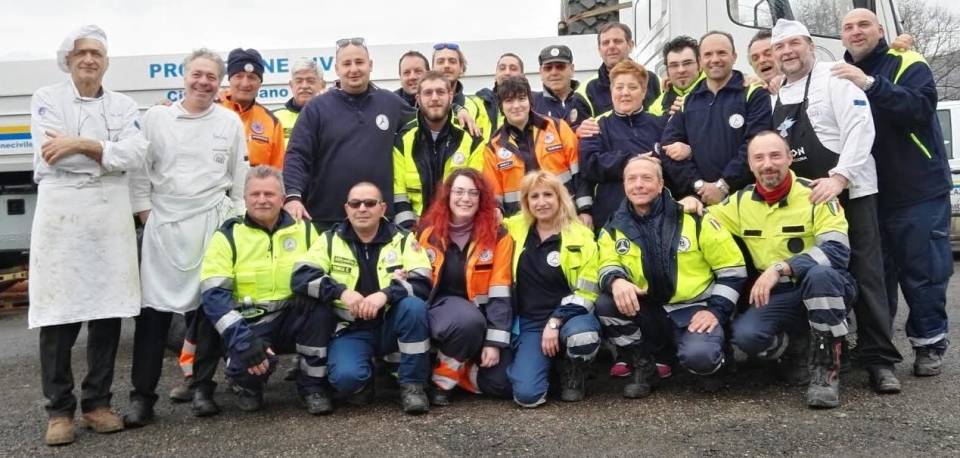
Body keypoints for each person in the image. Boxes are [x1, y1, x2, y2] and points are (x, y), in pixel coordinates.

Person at [29, 24, 147, 446]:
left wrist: (79, 143)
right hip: (62, 214)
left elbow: (136, 153)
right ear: (68, 59)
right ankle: (58, 410)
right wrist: (106, 152)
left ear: (107, 62)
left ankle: (97, 403)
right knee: (58, 315)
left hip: (109, 217)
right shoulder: (46, 99)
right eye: (81, 53)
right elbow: (51, 156)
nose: (89, 60)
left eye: (96, 53)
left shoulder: (124, 104)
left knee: (107, 312)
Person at [770, 19, 901, 393]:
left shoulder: (836, 77)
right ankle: (818, 350)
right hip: (807, 203)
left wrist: (840, 177)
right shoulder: (777, 92)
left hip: (850, 192)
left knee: (868, 275)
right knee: (813, 274)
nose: (787, 52)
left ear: (810, 46)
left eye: (794, 44)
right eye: (780, 47)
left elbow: (862, 129)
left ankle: (880, 360)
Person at [126, 48, 248, 427]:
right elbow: (139, 174)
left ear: (219, 83)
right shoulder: (157, 119)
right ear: (184, 77)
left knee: (209, 310)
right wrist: (147, 214)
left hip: (211, 223)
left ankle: (203, 388)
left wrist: (234, 224)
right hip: (163, 225)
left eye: (211, 76)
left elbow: (240, 182)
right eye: (197, 74)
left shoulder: (229, 123)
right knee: (153, 315)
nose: (203, 82)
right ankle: (142, 397)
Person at [834, 8, 952, 376]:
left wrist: (870, 83)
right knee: (875, 276)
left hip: (916, 188)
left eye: (863, 25)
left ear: (880, 30)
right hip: (867, 192)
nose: (856, 32)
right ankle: (877, 349)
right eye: (848, 27)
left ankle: (929, 342)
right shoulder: (836, 74)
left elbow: (919, 108)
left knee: (923, 271)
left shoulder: (907, 61)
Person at [704, 131, 855, 409]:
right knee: (746, 337)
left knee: (822, 276)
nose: (767, 164)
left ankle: (827, 370)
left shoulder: (816, 193)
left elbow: (837, 251)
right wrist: (688, 205)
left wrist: (781, 268)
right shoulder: (739, 201)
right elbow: (703, 220)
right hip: (779, 296)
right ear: (750, 165)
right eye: (758, 158)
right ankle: (796, 350)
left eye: (775, 155)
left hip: (820, 284)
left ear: (790, 158)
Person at [592, 156, 746, 398]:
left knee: (701, 359)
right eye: (631, 179)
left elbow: (733, 270)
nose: (638, 184)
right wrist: (616, 280)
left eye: (646, 178)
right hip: (650, 311)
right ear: (624, 185)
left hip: (695, 310)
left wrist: (715, 311)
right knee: (605, 303)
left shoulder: (694, 218)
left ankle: (717, 359)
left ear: (662, 182)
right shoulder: (613, 226)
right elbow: (605, 263)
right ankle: (644, 365)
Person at [194, 166, 335, 415]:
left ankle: (312, 387)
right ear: (245, 198)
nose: (262, 200)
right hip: (250, 323)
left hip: (293, 319)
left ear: (282, 198)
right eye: (255, 194)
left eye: (269, 194)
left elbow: (327, 276)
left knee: (321, 306)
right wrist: (243, 341)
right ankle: (247, 387)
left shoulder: (306, 230)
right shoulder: (227, 236)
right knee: (246, 367)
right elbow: (214, 297)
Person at [291, 182, 433, 414]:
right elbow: (301, 276)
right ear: (347, 208)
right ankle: (363, 380)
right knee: (347, 379)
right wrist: (341, 292)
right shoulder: (329, 240)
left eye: (370, 203)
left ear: (383, 208)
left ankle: (413, 386)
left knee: (414, 306)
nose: (362, 208)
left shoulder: (404, 239)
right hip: (351, 329)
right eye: (355, 203)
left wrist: (384, 295)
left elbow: (423, 282)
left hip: (391, 326)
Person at [283, 38, 415, 231]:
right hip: (325, 219)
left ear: (370, 65)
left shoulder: (391, 103)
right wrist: (293, 196)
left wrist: (458, 109)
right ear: (337, 69)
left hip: (379, 220)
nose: (353, 69)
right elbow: (297, 155)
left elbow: (428, 120)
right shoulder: (316, 108)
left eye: (359, 62)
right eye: (347, 64)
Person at [502, 171, 601, 406]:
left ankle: (573, 369)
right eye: (534, 196)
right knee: (527, 396)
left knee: (582, 338)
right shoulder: (513, 228)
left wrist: (555, 321)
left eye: (548, 194)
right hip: (531, 323)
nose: (541, 202)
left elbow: (588, 292)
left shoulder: (581, 236)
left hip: (570, 317)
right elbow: (481, 220)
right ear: (526, 202)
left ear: (560, 198)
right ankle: (550, 368)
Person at [416, 169, 513, 405]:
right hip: (441, 312)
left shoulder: (499, 235)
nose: (465, 198)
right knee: (466, 321)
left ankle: (457, 370)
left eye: (473, 193)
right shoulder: (426, 232)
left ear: (482, 199)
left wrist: (493, 342)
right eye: (459, 191)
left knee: (504, 383)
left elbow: (501, 292)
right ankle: (442, 382)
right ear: (448, 195)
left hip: (482, 320)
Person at [660, 31, 773, 203]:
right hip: (701, 200)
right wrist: (698, 184)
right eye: (708, 54)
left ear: (734, 57)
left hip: (747, 199)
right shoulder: (688, 102)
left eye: (721, 53)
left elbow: (755, 145)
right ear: (700, 60)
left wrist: (724, 185)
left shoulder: (753, 93)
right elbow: (667, 149)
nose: (715, 59)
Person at [482, 76, 588, 219]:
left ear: (530, 101)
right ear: (501, 106)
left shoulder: (557, 128)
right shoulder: (493, 148)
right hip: (521, 222)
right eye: (509, 100)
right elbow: (493, 194)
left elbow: (580, 172)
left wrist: (585, 210)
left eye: (521, 98)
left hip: (565, 214)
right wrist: (496, 212)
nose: (516, 105)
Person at [579, 59, 665, 230]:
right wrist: (633, 161)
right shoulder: (595, 126)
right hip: (611, 218)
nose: (625, 93)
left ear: (644, 91)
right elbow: (590, 164)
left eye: (632, 87)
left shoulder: (661, 125)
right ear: (611, 91)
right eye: (619, 88)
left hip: (659, 219)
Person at [393, 71, 485, 228]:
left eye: (440, 92)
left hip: (457, 231)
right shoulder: (402, 140)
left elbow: (475, 192)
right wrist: (410, 234)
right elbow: (399, 195)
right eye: (428, 93)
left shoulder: (471, 139)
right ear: (418, 98)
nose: (434, 98)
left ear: (450, 96)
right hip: (414, 234)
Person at [577, 22, 661, 119]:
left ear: (630, 45)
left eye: (617, 41)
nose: (611, 46)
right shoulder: (586, 91)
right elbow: (579, 129)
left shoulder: (655, 81)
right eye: (605, 43)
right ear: (599, 50)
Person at [221, 48, 285, 169]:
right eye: (239, 76)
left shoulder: (272, 123)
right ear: (230, 79)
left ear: (260, 83)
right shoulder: (212, 109)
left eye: (252, 77)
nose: (245, 83)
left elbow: (278, 173)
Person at [432, 42, 492, 139]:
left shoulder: (477, 107)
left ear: (461, 68)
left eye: (452, 61)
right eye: (440, 61)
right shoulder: (420, 104)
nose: (446, 65)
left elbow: (484, 145)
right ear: (432, 68)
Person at [531, 44, 593, 130]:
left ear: (572, 69)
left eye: (560, 67)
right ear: (541, 72)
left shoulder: (588, 98)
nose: (554, 72)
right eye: (548, 68)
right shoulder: (531, 104)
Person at [273, 58, 326, 148]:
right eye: (299, 81)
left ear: (322, 85)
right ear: (291, 85)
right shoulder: (273, 118)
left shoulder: (335, 116)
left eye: (310, 81)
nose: (304, 86)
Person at [648, 36, 705, 117]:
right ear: (667, 70)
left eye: (687, 63)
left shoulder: (717, 89)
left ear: (700, 64)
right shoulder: (656, 108)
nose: (681, 70)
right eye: (674, 65)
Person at [475, 52, 525, 133]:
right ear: (496, 74)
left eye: (513, 68)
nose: (507, 72)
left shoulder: (534, 102)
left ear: (522, 75)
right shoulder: (481, 102)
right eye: (502, 68)